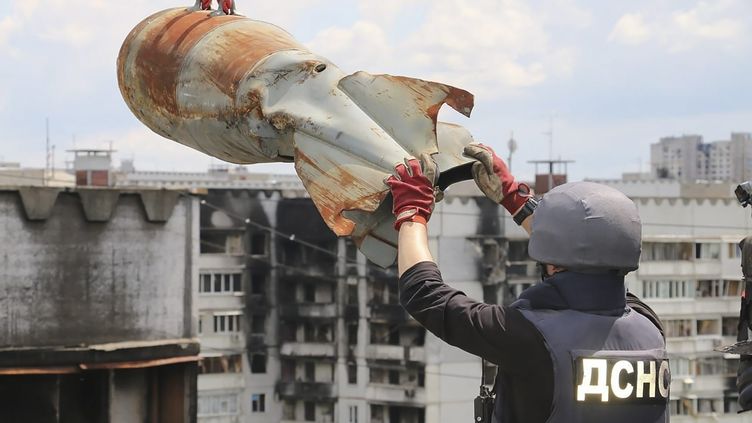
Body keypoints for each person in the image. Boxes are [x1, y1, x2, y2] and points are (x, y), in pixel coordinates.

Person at [385, 144, 670, 423]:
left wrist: (412, 212)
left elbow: (425, 294)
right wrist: (515, 200)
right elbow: (595, 264)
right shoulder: (649, 328)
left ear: (552, 259)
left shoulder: (531, 337)